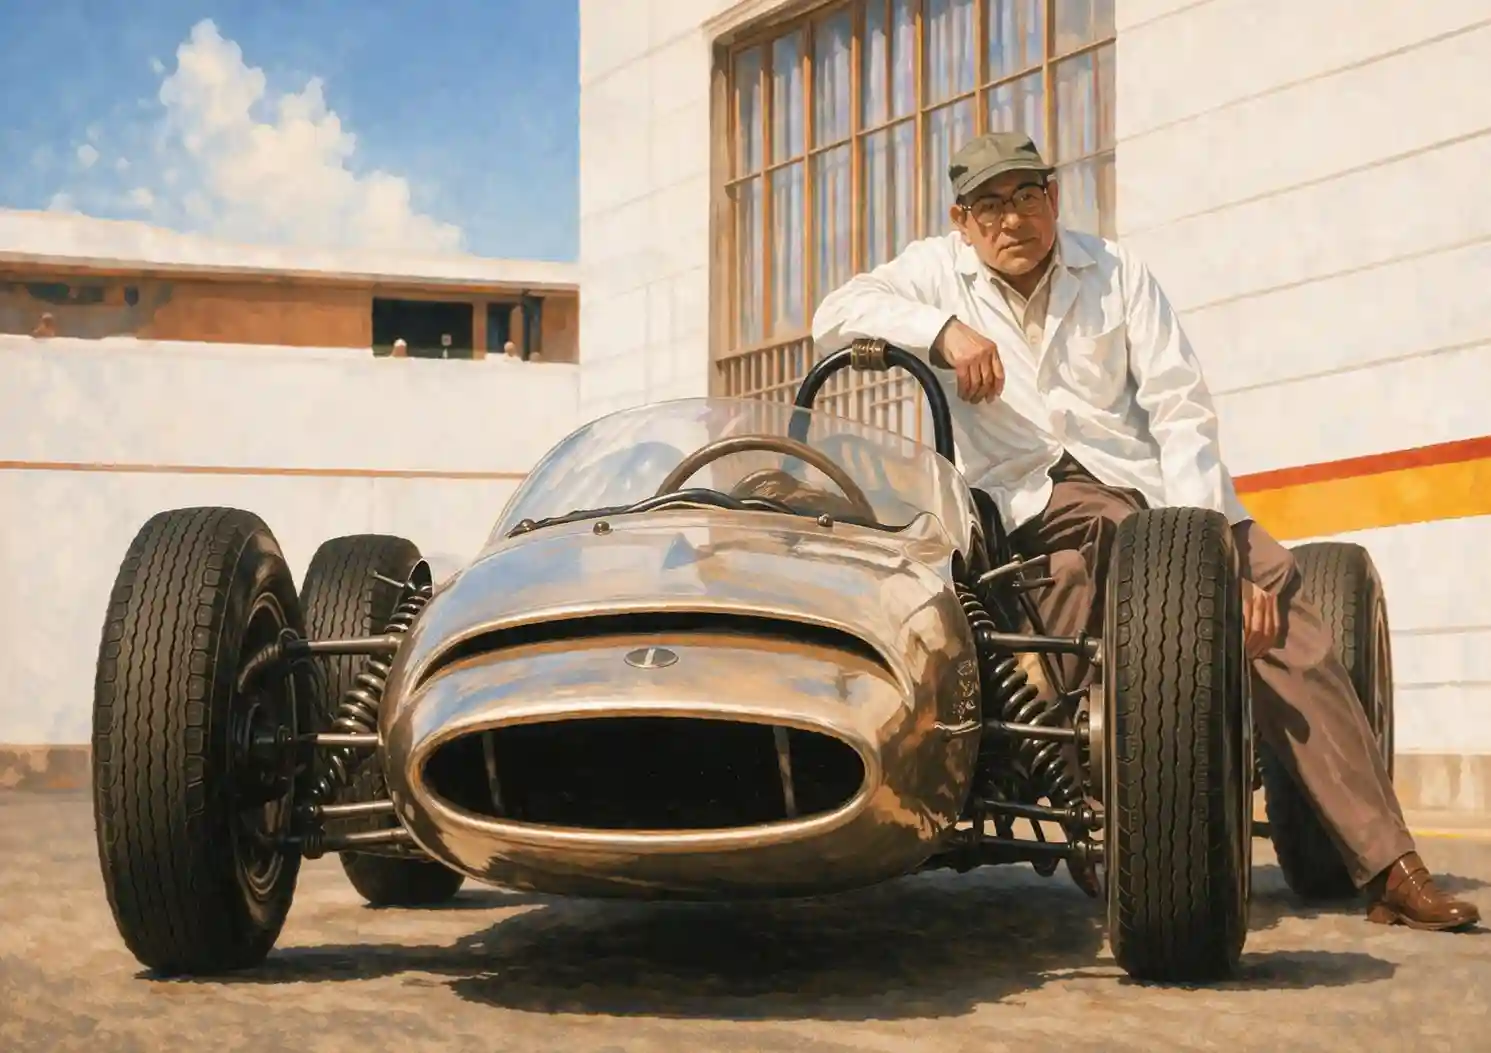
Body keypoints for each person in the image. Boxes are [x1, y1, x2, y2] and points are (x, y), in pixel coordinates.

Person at [811, 130, 1479, 932]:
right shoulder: (932, 273)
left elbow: (1179, 408)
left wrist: (1209, 551)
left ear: (1053, 197)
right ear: (962, 220)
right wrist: (942, 331)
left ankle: (1390, 865)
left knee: (1281, 604)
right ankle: (1132, 821)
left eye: (1025, 196)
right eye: (988, 205)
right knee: (1113, 554)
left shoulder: (1116, 272)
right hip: (1032, 503)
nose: (1011, 219)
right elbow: (832, 317)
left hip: (1160, 494)